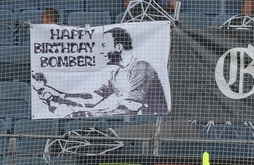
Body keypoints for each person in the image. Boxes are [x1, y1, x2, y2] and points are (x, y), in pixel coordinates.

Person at [32, 28, 169, 116]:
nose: (101, 51)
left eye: (104, 46)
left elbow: (128, 108)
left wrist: (85, 115)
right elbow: (92, 100)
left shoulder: (141, 68)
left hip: (154, 127)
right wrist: (56, 95)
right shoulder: (115, 74)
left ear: (118, 47)